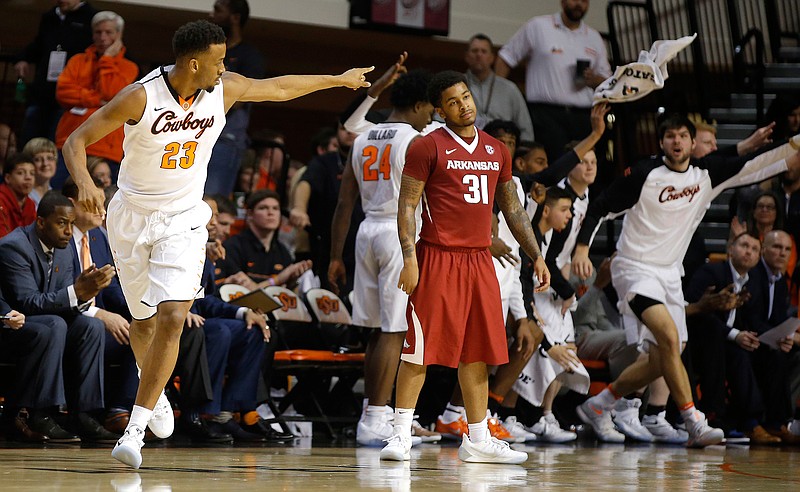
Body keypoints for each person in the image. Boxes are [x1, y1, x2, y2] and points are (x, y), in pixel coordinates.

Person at [61, 19, 372, 468]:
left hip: (184, 218)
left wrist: (338, 80)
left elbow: (280, 88)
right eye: (219, 60)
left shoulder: (223, 89)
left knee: (173, 314)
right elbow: (76, 140)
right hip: (131, 216)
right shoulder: (141, 96)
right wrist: (86, 180)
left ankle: (135, 428)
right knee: (144, 323)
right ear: (193, 62)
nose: (224, 68)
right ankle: (157, 389)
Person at [572, 115, 800, 447]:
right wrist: (581, 250)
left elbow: (753, 164)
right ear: (661, 143)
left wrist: (792, 145)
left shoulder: (706, 176)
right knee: (667, 335)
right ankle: (694, 420)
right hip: (634, 267)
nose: (676, 142)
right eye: (669, 136)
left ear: (693, 144)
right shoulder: (644, 174)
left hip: (669, 274)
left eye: (682, 136)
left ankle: (599, 404)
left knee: (664, 355)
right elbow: (601, 207)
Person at [379, 71, 549, 464]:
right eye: (454, 101)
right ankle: (401, 434)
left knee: (476, 354)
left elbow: (513, 209)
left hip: (479, 261)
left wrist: (535, 255)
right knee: (419, 350)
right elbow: (406, 206)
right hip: (437, 258)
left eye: (467, 96)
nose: (464, 105)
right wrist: (409, 258)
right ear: (440, 109)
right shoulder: (426, 147)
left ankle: (477, 439)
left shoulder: (496, 150)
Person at [328, 69, 434, 446]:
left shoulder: (362, 137)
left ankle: (377, 413)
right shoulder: (418, 140)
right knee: (395, 330)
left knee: (377, 330)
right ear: (419, 105)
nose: (431, 118)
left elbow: (344, 203)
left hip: (366, 231)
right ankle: (375, 417)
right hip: (397, 233)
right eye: (430, 110)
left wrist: (335, 256)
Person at [0, 191, 118, 443]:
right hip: (12, 327)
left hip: (48, 325)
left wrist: (85, 295)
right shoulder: (14, 246)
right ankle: (40, 413)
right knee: (53, 325)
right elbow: (26, 303)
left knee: (90, 326)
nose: (68, 231)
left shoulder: (63, 249)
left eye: (71, 224)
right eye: (61, 223)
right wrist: (76, 292)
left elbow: (64, 303)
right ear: (41, 222)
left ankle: (83, 414)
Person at [685, 232, 781, 444]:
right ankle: (723, 418)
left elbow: (752, 318)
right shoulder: (710, 271)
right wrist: (736, 335)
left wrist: (762, 336)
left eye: (755, 249)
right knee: (730, 350)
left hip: (728, 341)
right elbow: (695, 309)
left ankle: (766, 422)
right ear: (730, 250)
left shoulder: (753, 281)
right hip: (699, 341)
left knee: (765, 354)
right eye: (744, 245)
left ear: (759, 257)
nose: (749, 251)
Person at [495, 0, 611, 160]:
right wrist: (499, 99)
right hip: (545, 115)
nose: (578, 4)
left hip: (583, 116)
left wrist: (594, 79)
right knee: (550, 169)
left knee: (583, 168)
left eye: (584, 1)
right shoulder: (538, 26)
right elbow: (505, 58)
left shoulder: (594, 37)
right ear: (562, 2)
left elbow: (608, 81)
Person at [54, 10, 139, 187]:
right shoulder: (78, 60)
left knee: (102, 204)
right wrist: (96, 100)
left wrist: (107, 59)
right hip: (70, 143)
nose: (102, 37)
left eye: (108, 32)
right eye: (98, 32)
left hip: (107, 149)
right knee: (61, 198)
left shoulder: (129, 67)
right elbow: (63, 92)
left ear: (119, 35)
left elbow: (110, 93)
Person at [14, 0, 96, 144]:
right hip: (43, 91)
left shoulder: (91, 18)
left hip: (69, 97)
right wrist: (23, 58)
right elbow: (39, 44)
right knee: (30, 138)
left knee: (55, 142)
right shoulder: (50, 17)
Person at [206, 0, 266, 196]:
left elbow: (239, 98)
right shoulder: (207, 52)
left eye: (218, 10)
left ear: (235, 18)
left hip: (226, 137)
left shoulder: (249, 56)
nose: (211, 14)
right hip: (196, 131)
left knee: (212, 200)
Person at [463, 34, 533, 141]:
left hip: (500, 149)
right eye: (475, 51)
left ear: (492, 58)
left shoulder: (510, 89)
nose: (479, 55)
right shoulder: (456, 86)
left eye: (483, 51)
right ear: (467, 56)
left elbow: (525, 129)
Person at [0, 152, 36, 238]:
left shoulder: (30, 204)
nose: (28, 177)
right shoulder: (1, 200)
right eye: (20, 173)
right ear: (8, 178)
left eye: (32, 173)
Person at [22, 138, 58, 206]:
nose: (45, 163)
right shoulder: (23, 196)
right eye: (38, 159)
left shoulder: (57, 197)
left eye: (50, 158)